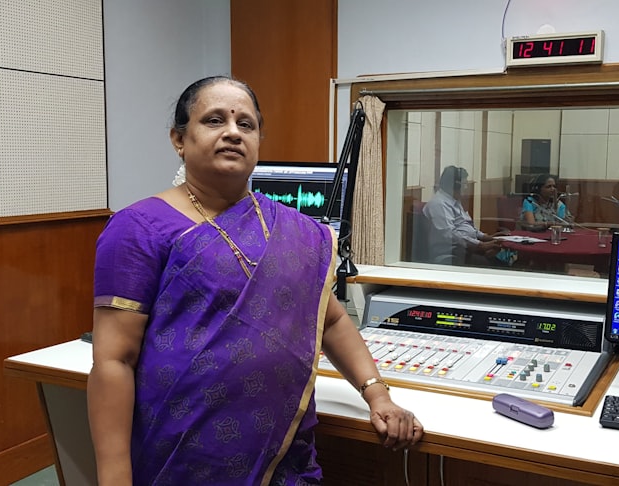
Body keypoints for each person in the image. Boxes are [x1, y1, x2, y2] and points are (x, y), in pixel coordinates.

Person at [87, 76, 423, 485]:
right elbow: (112, 361)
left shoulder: (297, 231)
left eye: (245, 124)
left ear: (260, 139)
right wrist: (114, 476)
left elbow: (331, 320)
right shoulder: (139, 228)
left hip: (284, 452)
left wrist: (377, 394)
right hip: (182, 456)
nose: (232, 132)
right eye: (213, 120)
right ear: (179, 138)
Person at [422, 165, 514, 266]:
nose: (466, 187)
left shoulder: (454, 201)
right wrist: (480, 245)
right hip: (452, 254)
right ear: (455, 185)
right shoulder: (438, 204)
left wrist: (487, 237)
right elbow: (450, 235)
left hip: (468, 249)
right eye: (464, 184)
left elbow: (466, 226)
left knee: (503, 261)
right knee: (497, 268)